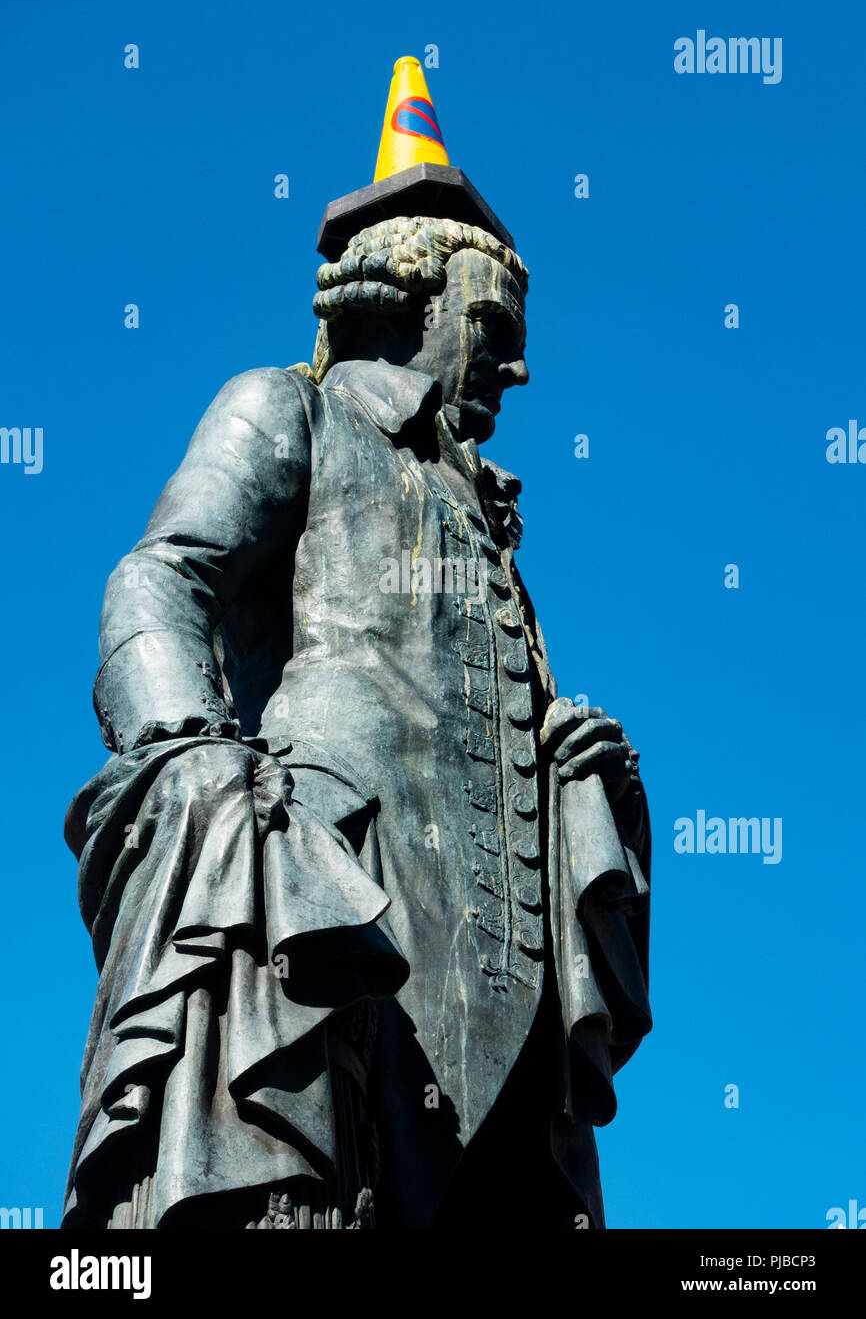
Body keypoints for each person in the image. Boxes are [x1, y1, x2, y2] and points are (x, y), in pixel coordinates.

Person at [63, 215, 651, 1229]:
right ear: (403, 306)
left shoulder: (491, 525)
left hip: (502, 996)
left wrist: (575, 773)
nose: (514, 364)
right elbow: (159, 579)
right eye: (488, 322)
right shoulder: (289, 409)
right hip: (327, 901)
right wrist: (192, 747)